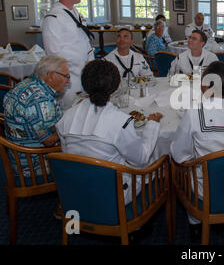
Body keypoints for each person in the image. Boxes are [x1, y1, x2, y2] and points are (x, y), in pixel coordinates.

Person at [56, 59, 163, 204]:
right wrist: (152, 125)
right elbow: (141, 159)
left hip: (74, 190)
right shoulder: (121, 122)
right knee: (158, 166)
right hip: (112, 195)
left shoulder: (66, 116)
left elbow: (67, 155)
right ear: (116, 86)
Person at [170, 61, 224, 237]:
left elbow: (180, 155)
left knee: (175, 163)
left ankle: (196, 221)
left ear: (205, 85)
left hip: (207, 191)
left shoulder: (195, 112)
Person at [3, 56, 69, 176]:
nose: (68, 81)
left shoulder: (25, 84)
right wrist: (69, 123)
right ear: (50, 75)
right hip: (33, 165)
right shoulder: (40, 99)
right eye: (66, 76)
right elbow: (49, 141)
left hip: (16, 156)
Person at [41, 0, 95, 110]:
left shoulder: (76, 14)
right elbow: (54, 54)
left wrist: (90, 63)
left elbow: (85, 42)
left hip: (85, 74)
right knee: (70, 116)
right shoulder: (53, 18)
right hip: (69, 79)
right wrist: (82, 64)